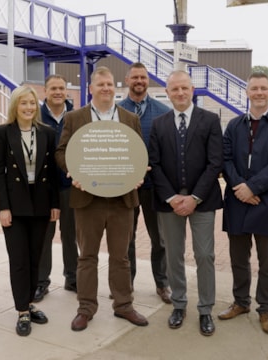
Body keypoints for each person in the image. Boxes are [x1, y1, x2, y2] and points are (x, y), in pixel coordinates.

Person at [55, 66, 149, 332]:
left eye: (109, 84)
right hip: (88, 198)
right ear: (91, 89)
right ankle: (86, 308)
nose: (106, 89)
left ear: (114, 87)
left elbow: (138, 154)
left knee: (121, 257)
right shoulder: (75, 118)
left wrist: (138, 173)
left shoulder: (130, 119)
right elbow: (61, 152)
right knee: (87, 257)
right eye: (101, 85)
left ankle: (124, 305)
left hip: (122, 199)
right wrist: (71, 170)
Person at [217, 72, 268, 335]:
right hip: (238, 199)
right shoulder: (235, 125)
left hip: (267, 201)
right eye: (254, 88)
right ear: (247, 92)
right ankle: (240, 302)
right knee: (238, 258)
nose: (259, 92)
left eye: (263, 88)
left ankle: (266, 309)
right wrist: (241, 187)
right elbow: (225, 159)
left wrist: (253, 187)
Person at [149, 70, 223, 336]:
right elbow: (154, 164)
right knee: (173, 255)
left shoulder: (211, 120)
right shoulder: (159, 124)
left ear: (192, 90)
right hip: (169, 202)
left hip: (202, 201)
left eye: (184, 88)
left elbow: (216, 163)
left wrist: (194, 198)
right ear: (167, 93)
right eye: (174, 89)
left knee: (205, 255)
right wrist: (172, 197)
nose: (180, 93)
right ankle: (179, 304)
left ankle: (206, 310)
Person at [0, 85, 60, 337]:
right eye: (23, 103)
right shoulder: (3, 132)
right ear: (15, 106)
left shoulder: (47, 133)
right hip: (16, 205)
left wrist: (55, 204)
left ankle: (29, 303)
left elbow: (52, 173)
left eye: (32, 103)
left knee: (35, 258)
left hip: (41, 203)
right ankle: (22, 311)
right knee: (19, 260)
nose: (29, 107)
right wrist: (3, 207)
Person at [118, 62, 172, 304]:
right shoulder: (116, 112)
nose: (139, 81)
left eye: (143, 77)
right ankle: (126, 284)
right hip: (125, 187)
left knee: (158, 238)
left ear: (147, 81)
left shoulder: (162, 111)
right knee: (125, 238)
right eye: (135, 77)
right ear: (127, 80)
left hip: (153, 187)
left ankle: (162, 284)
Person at [34, 75, 78, 302]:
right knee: (45, 236)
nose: (58, 92)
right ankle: (41, 282)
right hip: (44, 188)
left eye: (62, 88)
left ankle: (72, 278)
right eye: (53, 88)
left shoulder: (76, 117)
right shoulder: (35, 116)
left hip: (71, 186)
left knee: (71, 235)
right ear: (45, 91)